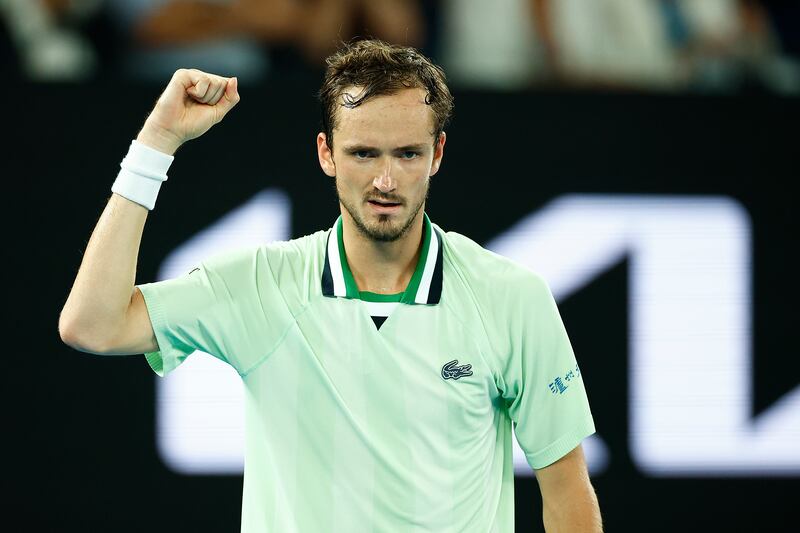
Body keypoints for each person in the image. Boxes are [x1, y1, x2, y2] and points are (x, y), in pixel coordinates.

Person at [59, 39, 602, 532]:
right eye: (364, 153)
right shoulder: (260, 285)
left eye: (406, 154)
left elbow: (567, 492)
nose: (385, 181)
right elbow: (92, 325)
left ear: (436, 154)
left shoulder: (511, 297)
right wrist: (157, 142)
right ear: (326, 154)